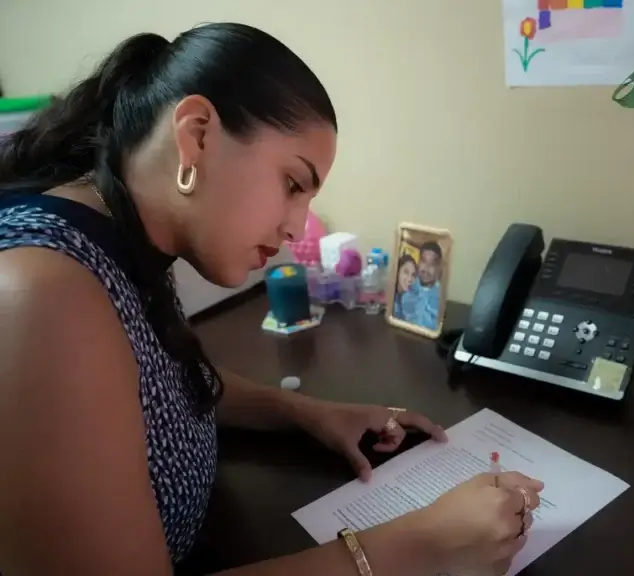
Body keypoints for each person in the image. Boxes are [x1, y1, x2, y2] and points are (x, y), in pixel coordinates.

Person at [0, 23, 544, 576]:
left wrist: (302, 413)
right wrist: (421, 541)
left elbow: (148, 382)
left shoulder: (122, 242)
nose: (296, 226)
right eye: (292, 184)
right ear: (196, 135)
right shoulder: (41, 293)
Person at [401, 241, 442, 330]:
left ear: (438, 268)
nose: (426, 268)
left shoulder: (440, 297)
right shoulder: (407, 286)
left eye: (432, 264)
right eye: (423, 261)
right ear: (418, 262)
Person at [393, 253, 418, 321]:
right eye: (406, 272)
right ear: (397, 272)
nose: (410, 279)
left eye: (413, 275)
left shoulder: (409, 297)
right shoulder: (392, 301)